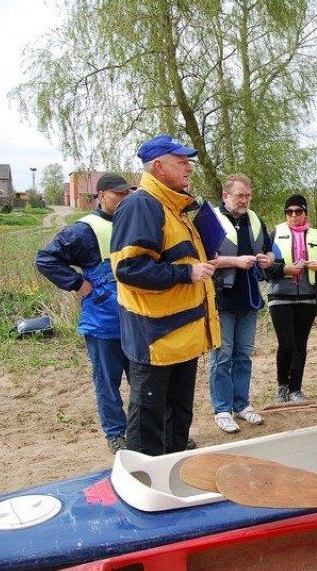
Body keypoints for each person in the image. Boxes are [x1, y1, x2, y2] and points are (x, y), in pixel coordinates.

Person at [111, 134, 220, 456]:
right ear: (158, 167)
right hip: (156, 340)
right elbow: (129, 268)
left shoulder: (176, 207)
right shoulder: (141, 205)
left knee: (177, 420)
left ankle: (171, 478)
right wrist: (187, 273)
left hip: (182, 338)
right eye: (181, 162)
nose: (189, 168)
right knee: (148, 425)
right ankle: (143, 486)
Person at [36, 173, 134, 453]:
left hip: (137, 318)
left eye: (128, 194)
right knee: (108, 381)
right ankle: (116, 434)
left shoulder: (134, 224)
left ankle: (143, 432)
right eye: (119, 195)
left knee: (143, 380)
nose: (124, 199)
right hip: (102, 320)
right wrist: (79, 284)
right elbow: (46, 258)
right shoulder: (82, 230)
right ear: (102, 195)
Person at [208, 174, 274, 433]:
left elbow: (268, 249)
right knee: (222, 356)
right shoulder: (210, 221)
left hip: (248, 298)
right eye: (239, 196)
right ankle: (222, 409)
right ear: (226, 196)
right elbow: (203, 260)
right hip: (222, 298)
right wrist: (234, 262)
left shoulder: (255, 220)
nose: (244, 201)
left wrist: (267, 259)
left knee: (243, 354)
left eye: (248, 196)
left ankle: (242, 405)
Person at [267, 194, 317, 403]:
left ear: (305, 213)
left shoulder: (316, 235)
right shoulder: (275, 233)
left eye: (298, 211)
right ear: (285, 214)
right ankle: (282, 386)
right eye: (289, 212)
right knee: (286, 344)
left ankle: (296, 389)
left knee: (300, 344)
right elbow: (265, 268)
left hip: (307, 297)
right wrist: (284, 269)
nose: (294, 215)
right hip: (280, 297)